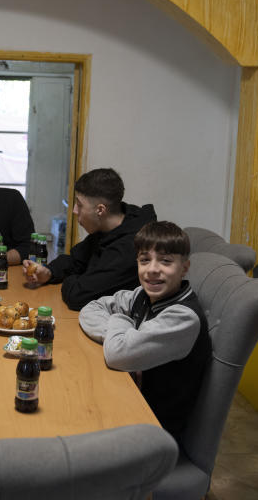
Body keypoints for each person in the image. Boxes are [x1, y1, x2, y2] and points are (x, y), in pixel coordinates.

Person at [78, 221, 211, 441]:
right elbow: (91, 308)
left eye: (166, 261)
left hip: (155, 431)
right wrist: (122, 337)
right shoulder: (143, 295)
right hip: (128, 403)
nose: (152, 270)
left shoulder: (183, 317)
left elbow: (118, 355)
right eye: (144, 260)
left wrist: (121, 327)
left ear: (184, 268)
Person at [23, 167, 156, 310]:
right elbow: (75, 260)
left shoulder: (130, 247)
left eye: (79, 205)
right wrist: (49, 272)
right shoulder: (108, 227)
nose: (74, 210)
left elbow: (78, 296)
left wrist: (74, 278)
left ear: (100, 210)